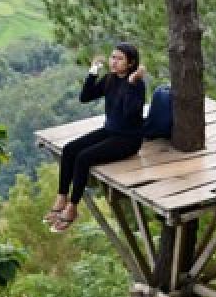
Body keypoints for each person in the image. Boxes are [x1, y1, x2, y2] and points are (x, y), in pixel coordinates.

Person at [45, 43, 147, 233]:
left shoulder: (137, 85)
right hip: (110, 131)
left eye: (119, 59)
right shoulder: (110, 79)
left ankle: (73, 207)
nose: (114, 62)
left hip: (128, 140)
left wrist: (132, 83)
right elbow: (85, 97)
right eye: (112, 57)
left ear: (131, 63)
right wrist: (93, 71)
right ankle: (62, 196)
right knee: (69, 149)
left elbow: (129, 113)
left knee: (84, 157)